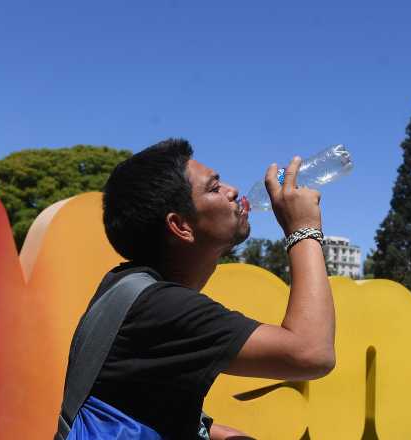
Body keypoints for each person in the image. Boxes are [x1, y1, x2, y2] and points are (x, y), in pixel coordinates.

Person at [86, 138, 335, 439]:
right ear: (181, 226)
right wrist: (303, 230)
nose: (232, 191)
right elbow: (311, 353)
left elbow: (140, 404)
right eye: (214, 188)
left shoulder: (127, 288)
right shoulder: (163, 308)